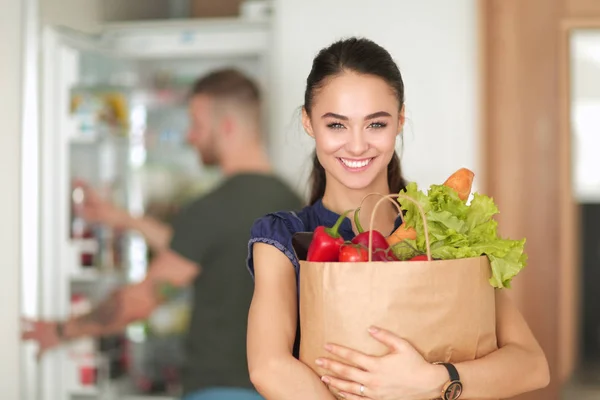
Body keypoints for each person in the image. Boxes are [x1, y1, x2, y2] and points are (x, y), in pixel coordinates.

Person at [245, 38, 550, 400]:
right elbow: (269, 367)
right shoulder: (283, 237)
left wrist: (435, 380)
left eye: (375, 124)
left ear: (400, 120)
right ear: (309, 123)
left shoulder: (441, 229)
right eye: (337, 125)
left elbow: (532, 365)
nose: (357, 145)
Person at [22, 69, 304, 400]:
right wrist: (123, 219)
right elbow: (207, 249)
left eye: (197, 124)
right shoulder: (291, 204)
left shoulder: (212, 208)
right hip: (281, 388)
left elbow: (138, 303)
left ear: (226, 127)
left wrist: (61, 330)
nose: (190, 137)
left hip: (221, 389)